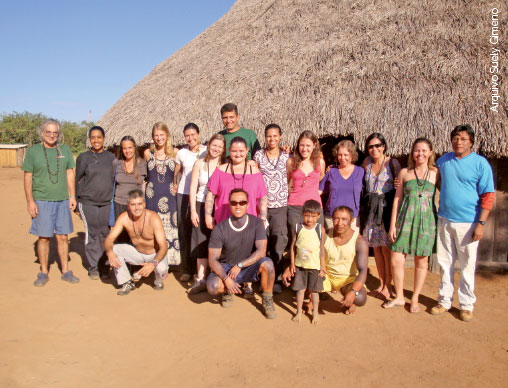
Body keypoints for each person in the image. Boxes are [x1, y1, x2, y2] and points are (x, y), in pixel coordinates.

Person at [430, 125, 495, 322]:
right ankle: (444, 300)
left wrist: (481, 223)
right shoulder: (444, 160)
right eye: (456, 138)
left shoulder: (480, 164)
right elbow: (430, 173)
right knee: (444, 262)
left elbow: (488, 195)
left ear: (471, 142)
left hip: (468, 223)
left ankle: (466, 305)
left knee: (467, 265)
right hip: (444, 219)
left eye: (464, 138)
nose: (459, 141)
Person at [205, 136, 268, 297]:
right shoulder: (221, 170)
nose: (238, 154)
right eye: (234, 151)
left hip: (249, 222)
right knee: (226, 255)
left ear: (247, 151)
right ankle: (227, 286)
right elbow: (211, 195)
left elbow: (262, 197)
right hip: (225, 221)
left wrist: (263, 218)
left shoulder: (255, 171)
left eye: (241, 151)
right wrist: (207, 214)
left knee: (249, 251)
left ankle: (247, 284)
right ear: (229, 151)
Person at [23, 119, 80, 286]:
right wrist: (30, 201)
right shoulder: (33, 152)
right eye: (48, 132)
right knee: (44, 237)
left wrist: (72, 196)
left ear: (58, 134)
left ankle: (66, 271)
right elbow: (27, 177)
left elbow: (70, 173)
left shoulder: (65, 150)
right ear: (42, 133)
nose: (52, 135)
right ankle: (43, 272)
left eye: (55, 132)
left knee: (63, 237)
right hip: (41, 200)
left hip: (62, 200)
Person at [385, 138, 438, 312]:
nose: (420, 154)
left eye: (424, 150)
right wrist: (392, 225)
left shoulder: (435, 173)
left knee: (421, 261)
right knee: (396, 258)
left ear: (430, 152)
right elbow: (397, 199)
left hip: (426, 222)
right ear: (412, 152)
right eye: (417, 150)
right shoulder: (405, 173)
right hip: (404, 220)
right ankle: (400, 296)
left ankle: (414, 297)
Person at [206, 189, 277, 319]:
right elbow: (212, 260)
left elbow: (261, 252)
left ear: (248, 204)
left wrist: (240, 265)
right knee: (213, 286)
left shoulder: (257, 223)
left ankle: (267, 300)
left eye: (242, 202)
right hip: (227, 268)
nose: (238, 206)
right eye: (234, 203)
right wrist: (226, 279)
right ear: (229, 204)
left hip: (248, 266)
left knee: (268, 264)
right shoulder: (220, 228)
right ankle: (227, 291)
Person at [104, 190, 169, 295]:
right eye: (133, 204)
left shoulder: (153, 218)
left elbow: (164, 247)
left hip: (155, 254)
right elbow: (109, 239)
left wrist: (153, 264)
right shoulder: (124, 218)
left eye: (139, 204)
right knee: (114, 249)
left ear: (144, 204)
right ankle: (127, 281)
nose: (137, 208)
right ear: (128, 205)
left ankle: (158, 279)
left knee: (161, 268)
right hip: (138, 254)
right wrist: (109, 252)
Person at [361, 133, 401, 300]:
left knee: (387, 250)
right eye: (371, 146)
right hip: (372, 211)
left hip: (386, 211)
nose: (374, 149)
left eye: (377, 145)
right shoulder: (367, 163)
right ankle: (382, 283)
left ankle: (388, 285)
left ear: (384, 146)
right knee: (376, 249)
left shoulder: (392, 163)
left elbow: (400, 186)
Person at [253, 124, 290, 292]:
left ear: (280, 136)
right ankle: (263, 277)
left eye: (275, 136)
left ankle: (276, 278)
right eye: (269, 136)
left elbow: (288, 177)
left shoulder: (287, 157)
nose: (272, 139)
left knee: (278, 241)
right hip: (262, 206)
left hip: (280, 206)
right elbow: (255, 177)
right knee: (262, 241)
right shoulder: (259, 155)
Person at [75, 126, 116, 280]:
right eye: (93, 137)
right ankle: (93, 267)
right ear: (89, 139)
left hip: (106, 202)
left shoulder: (111, 158)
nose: (96, 140)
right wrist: (76, 200)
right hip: (88, 202)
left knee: (105, 233)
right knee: (92, 233)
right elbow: (76, 179)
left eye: (99, 137)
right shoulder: (83, 158)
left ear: (104, 139)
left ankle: (104, 267)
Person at [187, 134, 226, 294]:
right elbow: (193, 187)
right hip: (200, 204)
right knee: (200, 241)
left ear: (223, 150)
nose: (216, 149)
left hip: (219, 207)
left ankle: (216, 276)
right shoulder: (199, 164)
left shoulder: (225, 165)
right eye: (214, 145)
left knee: (217, 242)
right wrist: (193, 211)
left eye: (219, 146)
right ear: (208, 145)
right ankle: (201, 278)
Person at [173, 123, 206, 282]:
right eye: (187, 135)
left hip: (199, 196)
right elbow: (177, 171)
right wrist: (174, 184)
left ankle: (197, 270)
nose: (190, 138)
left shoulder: (206, 151)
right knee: (184, 231)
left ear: (198, 134)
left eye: (193, 134)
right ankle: (187, 268)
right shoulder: (182, 153)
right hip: (183, 195)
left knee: (196, 232)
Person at [143, 122, 180, 267]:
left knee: (169, 227)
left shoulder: (175, 153)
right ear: (152, 137)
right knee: (153, 228)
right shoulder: (148, 153)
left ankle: (169, 262)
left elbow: (177, 173)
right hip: (152, 196)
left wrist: (176, 183)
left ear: (167, 135)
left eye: (161, 135)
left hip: (169, 195)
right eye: (156, 135)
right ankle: (154, 262)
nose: (159, 138)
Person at [323, 206, 369, 315]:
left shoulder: (359, 241)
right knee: (304, 283)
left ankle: (349, 300)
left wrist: (353, 292)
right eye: (336, 218)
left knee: (360, 298)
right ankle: (314, 298)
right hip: (326, 275)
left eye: (344, 219)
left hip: (347, 280)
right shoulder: (325, 235)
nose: (339, 223)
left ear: (352, 220)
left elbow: (363, 271)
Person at [288, 200, 326, 324]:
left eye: (313, 216)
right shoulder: (298, 227)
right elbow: (293, 247)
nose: (310, 219)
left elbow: (321, 250)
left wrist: (322, 267)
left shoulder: (320, 229)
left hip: (315, 266)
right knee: (300, 290)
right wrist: (292, 263)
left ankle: (315, 313)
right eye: (307, 215)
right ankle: (298, 311)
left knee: (314, 292)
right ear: (302, 213)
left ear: (318, 216)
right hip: (300, 266)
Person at [286, 130, 326, 244]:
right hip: (294, 207)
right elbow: (286, 181)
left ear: (314, 145)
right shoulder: (291, 162)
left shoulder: (320, 162)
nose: (304, 149)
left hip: (315, 207)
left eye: (308, 145)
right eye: (301, 145)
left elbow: (321, 178)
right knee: (296, 240)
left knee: (316, 240)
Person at [319, 140, 364, 231]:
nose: (342, 158)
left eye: (346, 155)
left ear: (352, 155)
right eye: (340, 155)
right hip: (332, 218)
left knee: (351, 244)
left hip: (352, 219)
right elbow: (319, 190)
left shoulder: (361, 172)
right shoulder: (331, 171)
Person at [113, 136, 147, 221]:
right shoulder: (117, 163)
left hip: (136, 205)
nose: (127, 151)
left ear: (134, 148)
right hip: (119, 204)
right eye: (124, 148)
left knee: (135, 232)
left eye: (130, 147)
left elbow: (146, 184)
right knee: (121, 232)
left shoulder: (142, 164)